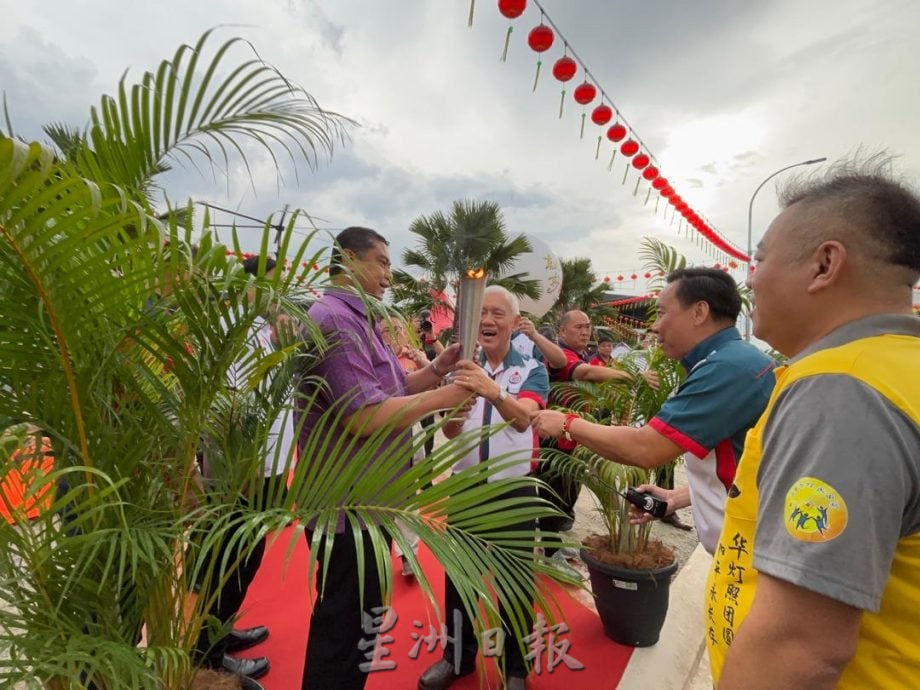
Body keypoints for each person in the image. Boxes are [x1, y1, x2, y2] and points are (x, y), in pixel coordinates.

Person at [705, 159, 920, 688]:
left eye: (759, 260)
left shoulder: (842, 387)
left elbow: (800, 645)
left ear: (825, 264)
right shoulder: (894, 368)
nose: (749, 280)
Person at [296, 227, 471, 690]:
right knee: (342, 628)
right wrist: (448, 395)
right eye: (382, 263)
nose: (389, 276)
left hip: (371, 502)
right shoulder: (334, 319)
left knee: (362, 621)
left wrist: (437, 370)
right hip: (345, 506)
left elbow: (391, 391)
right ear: (349, 259)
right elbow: (364, 415)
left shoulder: (362, 319)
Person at [531, 272, 776, 555]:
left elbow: (645, 448)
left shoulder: (726, 369)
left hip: (750, 552)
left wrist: (566, 423)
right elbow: (743, 466)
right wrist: (678, 497)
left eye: (661, 314)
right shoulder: (736, 361)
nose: (655, 328)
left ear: (699, 312)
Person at [418, 286, 548, 690]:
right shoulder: (462, 367)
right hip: (468, 489)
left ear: (513, 322)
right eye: (482, 314)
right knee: (460, 582)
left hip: (514, 492)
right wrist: (455, 411)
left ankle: (515, 669)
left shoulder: (530, 368)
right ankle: (457, 659)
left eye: (498, 314)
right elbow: (452, 429)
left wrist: (492, 390)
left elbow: (525, 418)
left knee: (515, 584)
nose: (488, 322)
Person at [194, 255, 293, 689]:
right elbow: (231, 407)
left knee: (248, 558)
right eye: (269, 286)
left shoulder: (270, 333)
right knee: (229, 561)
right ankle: (207, 656)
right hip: (242, 472)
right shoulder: (237, 332)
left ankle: (221, 631)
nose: (278, 296)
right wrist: (245, 463)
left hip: (268, 469)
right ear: (247, 287)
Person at [537, 310, 654, 549]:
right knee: (554, 492)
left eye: (587, 326)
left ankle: (557, 536)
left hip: (575, 435)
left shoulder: (583, 354)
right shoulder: (561, 356)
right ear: (562, 331)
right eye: (578, 327)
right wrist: (633, 377)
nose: (584, 331)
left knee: (569, 489)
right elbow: (587, 373)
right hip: (555, 437)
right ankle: (549, 550)